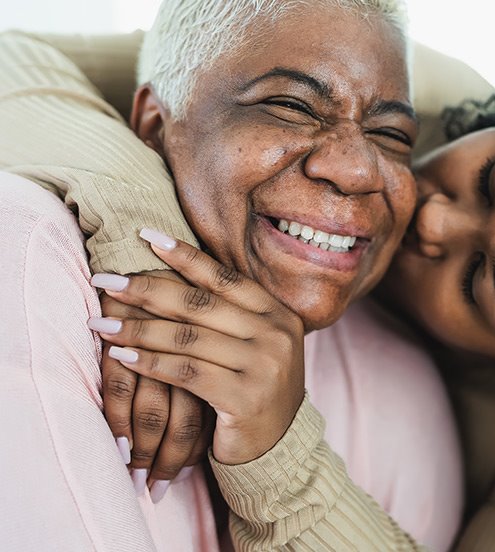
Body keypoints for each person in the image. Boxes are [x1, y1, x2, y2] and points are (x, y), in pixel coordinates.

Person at [6, 10, 495, 550]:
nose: (432, 220)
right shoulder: (413, 98)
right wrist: (148, 235)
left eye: (479, 282)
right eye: (491, 178)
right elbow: (35, 56)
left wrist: (280, 451)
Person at [0, 1, 469, 550]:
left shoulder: (408, 394)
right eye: (291, 105)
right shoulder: (30, 260)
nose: (357, 170)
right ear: (153, 125)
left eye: (392, 134)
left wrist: (280, 465)